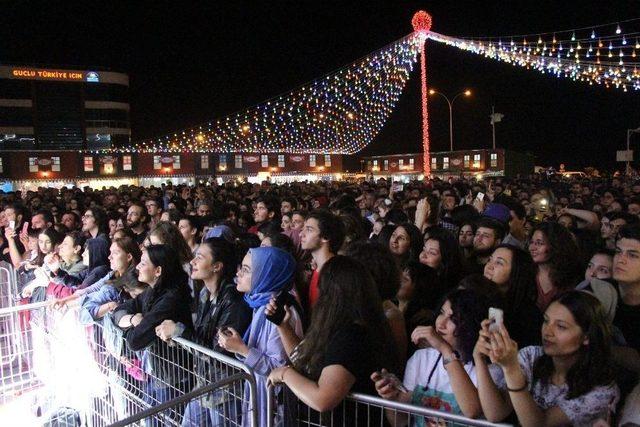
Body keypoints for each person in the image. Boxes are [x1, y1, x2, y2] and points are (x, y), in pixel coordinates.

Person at [267, 256, 397, 425]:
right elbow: (302, 361)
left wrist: (285, 374)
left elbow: (323, 399)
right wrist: (283, 326)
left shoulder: (353, 336)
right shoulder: (335, 328)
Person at [474, 291, 619, 426]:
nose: (547, 332)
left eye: (561, 326)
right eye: (546, 321)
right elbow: (495, 414)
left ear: (586, 336)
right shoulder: (532, 356)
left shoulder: (602, 390)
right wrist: (479, 358)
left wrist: (511, 370)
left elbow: (538, 424)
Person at [155, 238, 252, 427]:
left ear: (217, 266)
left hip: (226, 391)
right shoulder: (204, 294)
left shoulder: (233, 300)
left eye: (199, 257)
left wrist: (179, 332)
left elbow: (220, 354)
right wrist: (177, 335)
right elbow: (203, 336)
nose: (192, 262)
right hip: (204, 385)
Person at [372, 287, 498, 422]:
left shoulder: (487, 369)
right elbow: (400, 422)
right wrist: (392, 397)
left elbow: (472, 411)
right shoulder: (421, 358)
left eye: (454, 319)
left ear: (471, 325)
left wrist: (445, 349)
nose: (441, 323)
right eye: (442, 313)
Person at [217, 246, 303, 427]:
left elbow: (280, 370)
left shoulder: (280, 311)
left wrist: (242, 349)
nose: (238, 273)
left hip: (275, 407)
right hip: (261, 396)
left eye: (246, 270)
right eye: (241, 267)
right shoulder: (260, 303)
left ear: (267, 275)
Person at [114, 244, 194, 418]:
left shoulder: (171, 298)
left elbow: (135, 341)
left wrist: (128, 328)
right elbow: (118, 312)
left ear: (158, 271)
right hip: (157, 374)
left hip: (174, 379)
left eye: (143, 263)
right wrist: (133, 320)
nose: (137, 267)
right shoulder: (151, 291)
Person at [483, 244, 543, 347]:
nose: (489, 266)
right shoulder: (477, 296)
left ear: (516, 272)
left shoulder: (528, 315)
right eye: (490, 260)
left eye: (499, 263)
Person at [77, 237, 143, 324]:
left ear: (129, 256)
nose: (109, 257)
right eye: (110, 253)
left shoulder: (114, 288)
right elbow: (90, 291)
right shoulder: (112, 275)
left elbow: (84, 316)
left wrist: (109, 306)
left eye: (115, 253)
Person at [529, 222, 583, 310]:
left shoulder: (569, 277)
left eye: (539, 243)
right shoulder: (525, 272)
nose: (532, 248)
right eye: (531, 242)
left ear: (555, 245)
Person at [299, 210, 345, 312]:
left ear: (325, 237)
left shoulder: (335, 274)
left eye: (309, 230)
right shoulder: (316, 268)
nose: (301, 234)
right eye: (303, 229)